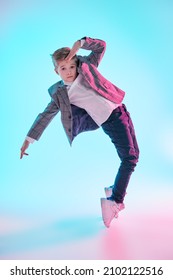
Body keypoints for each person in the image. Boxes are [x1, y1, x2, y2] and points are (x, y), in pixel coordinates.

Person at [20, 36, 139, 228]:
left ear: (77, 63)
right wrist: (29, 139)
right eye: (63, 68)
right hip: (110, 119)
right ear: (56, 70)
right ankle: (114, 201)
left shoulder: (87, 69)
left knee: (134, 155)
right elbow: (45, 116)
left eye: (71, 66)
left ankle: (113, 191)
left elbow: (101, 47)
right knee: (130, 158)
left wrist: (81, 43)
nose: (68, 72)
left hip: (121, 109)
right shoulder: (61, 93)